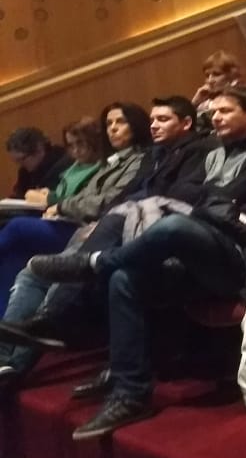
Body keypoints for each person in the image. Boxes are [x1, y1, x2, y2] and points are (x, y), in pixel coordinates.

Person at [29, 81, 246, 439]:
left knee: (174, 226)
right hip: (238, 240)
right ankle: (130, 391)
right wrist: (240, 215)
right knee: (126, 279)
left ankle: (94, 263)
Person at [0, 90, 246, 393]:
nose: (217, 117)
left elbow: (205, 197)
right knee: (33, 272)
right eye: (215, 112)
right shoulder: (198, 154)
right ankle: (9, 361)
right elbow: (165, 194)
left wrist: (65, 205)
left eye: (163, 119)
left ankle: (69, 303)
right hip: (155, 224)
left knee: (38, 238)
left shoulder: (215, 150)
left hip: (210, 238)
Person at [0, 104, 151, 319]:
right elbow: (84, 196)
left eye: (120, 122)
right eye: (109, 123)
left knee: (17, 228)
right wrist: (56, 204)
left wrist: (58, 204)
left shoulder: (139, 159)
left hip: (91, 229)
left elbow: (106, 201)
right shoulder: (111, 162)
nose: (113, 128)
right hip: (72, 222)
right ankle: (6, 327)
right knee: (18, 259)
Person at [20, 118, 103, 211]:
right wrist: (50, 193)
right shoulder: (74, 165)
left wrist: (48, 199)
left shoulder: (102, 168)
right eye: (71, 145)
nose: (76, 150)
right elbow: (64, 193)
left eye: (80, 143)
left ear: (94, 141)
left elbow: (83, 202)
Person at [6, 128, 70, 200]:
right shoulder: (25, 171)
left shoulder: (63, 164)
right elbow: (19, 195)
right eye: (16, 161)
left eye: (22, 159)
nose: (20, 164)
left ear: (39, 149)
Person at [191, 50, 245, 115]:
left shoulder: (243, 96)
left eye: (216, 74)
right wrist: (195, 103)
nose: (210, 80)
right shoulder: (206, 103)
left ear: (231, 75)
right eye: (207, 75)